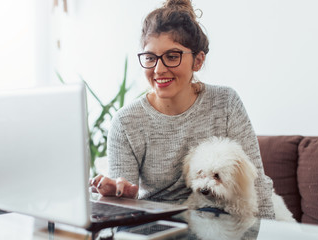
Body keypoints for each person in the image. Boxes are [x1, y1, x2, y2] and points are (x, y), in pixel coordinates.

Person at [90, 0, 275, 219]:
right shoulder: (126, 122)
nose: (158, 69)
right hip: (157, 227)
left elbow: (257, 184)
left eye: (172, 56)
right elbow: (122, 212)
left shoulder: (225, 103)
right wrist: (120, 197)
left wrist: (270, 231)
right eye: (150, 58)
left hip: (220, 225)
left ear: (197, 61)